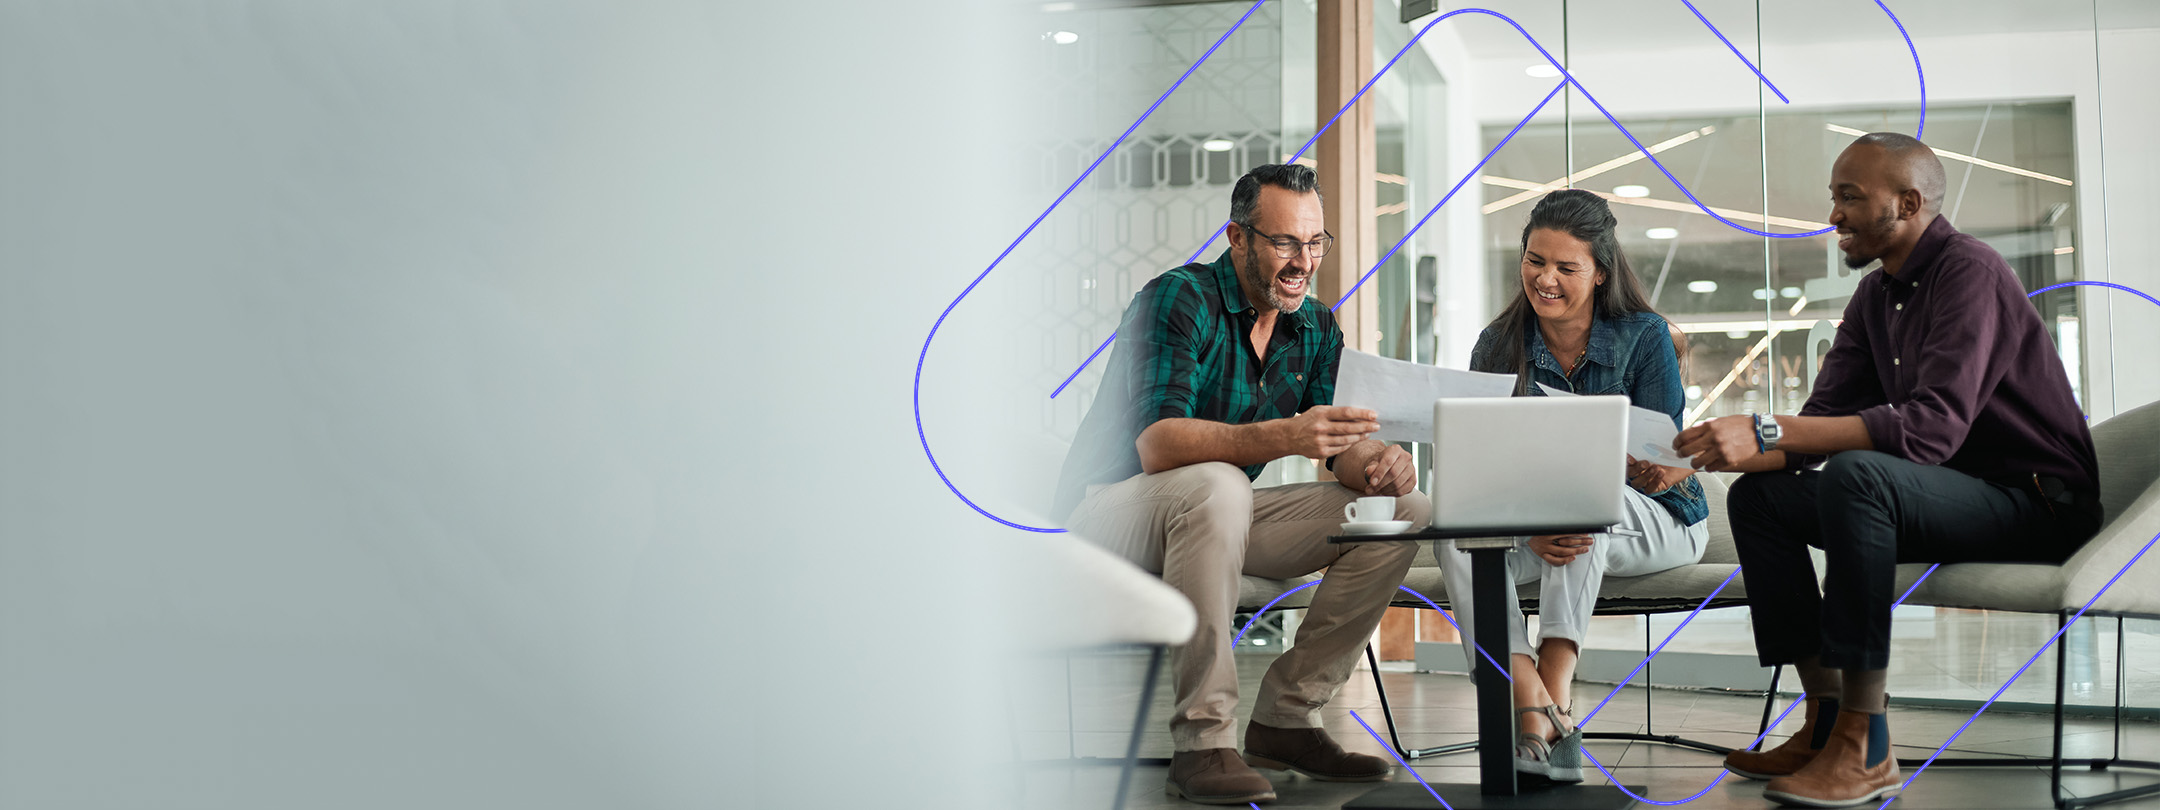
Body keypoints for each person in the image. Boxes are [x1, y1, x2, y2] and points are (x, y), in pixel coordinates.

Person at [1674, 132, 2102, 808]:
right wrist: (1699, 460)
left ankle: (1867, 745)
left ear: (1906, 203)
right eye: (1833, 198)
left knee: (1859, 474)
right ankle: (1823, 721)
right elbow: (1816, 429)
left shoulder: (1972, 272)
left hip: (2037, 504)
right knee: (1761, 499)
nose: (1834, 216)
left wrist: (1765, 427)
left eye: (1849, 197)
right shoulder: (1876, 299)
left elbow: (1929, 429)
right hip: (1949, 497)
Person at [1053, 163, 1430, 806]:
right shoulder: (1177, 299)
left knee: (1403, 509)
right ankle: (1202, 742)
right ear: (1237, 237)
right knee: (1221, 484)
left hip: (1211, 512)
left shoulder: (1314, 326)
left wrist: (1376, 463)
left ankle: (1287, 717)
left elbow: (1330, 440)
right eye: (1284, 242)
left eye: (1315, 244)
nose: (1301, 262)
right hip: (1107, 515)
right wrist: (1289, 434)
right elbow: (1158, 444)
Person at [1439, 189, 1710, 782]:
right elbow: (1483, 462)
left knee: (1580, 503)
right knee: (1455, 536)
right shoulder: (1497, 344)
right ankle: (1530, 703)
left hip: (1656, 517)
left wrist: (1653, 467)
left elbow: (1670, 456)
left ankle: (1550, 697)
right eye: (1536, 261)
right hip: (1541, 522)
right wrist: (1527, 521)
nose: (1546, 279)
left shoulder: (1644, 337)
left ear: (1600, 272)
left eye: (1566, 267)